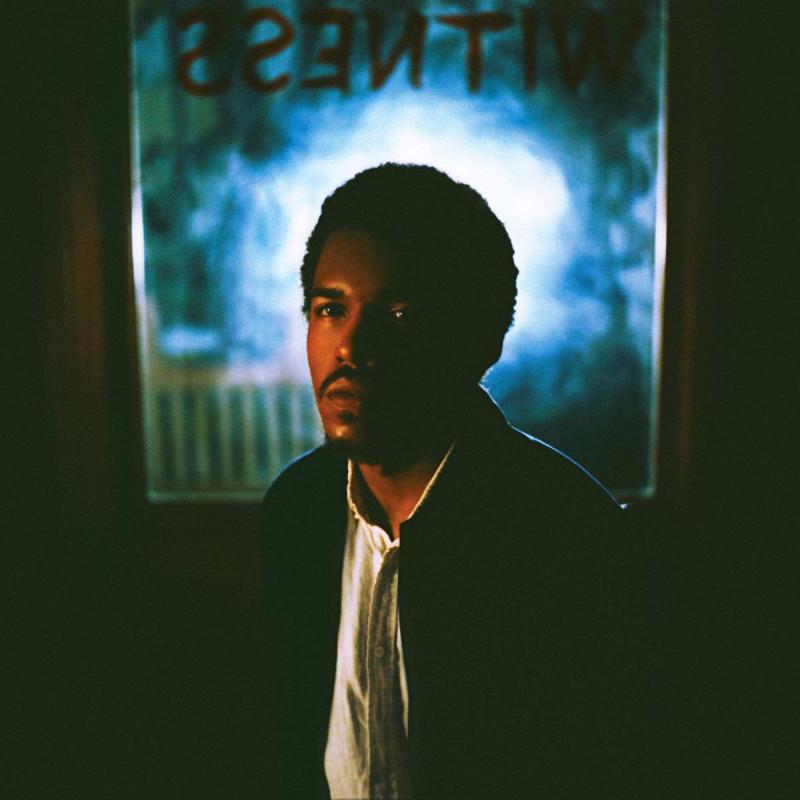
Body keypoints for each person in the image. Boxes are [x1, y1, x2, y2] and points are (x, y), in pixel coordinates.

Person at [261, 163, 641, 799]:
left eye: (398, 314)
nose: (350, 346)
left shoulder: (565, 532)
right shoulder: (296, 511)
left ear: (476, 341)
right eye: (330, 310)